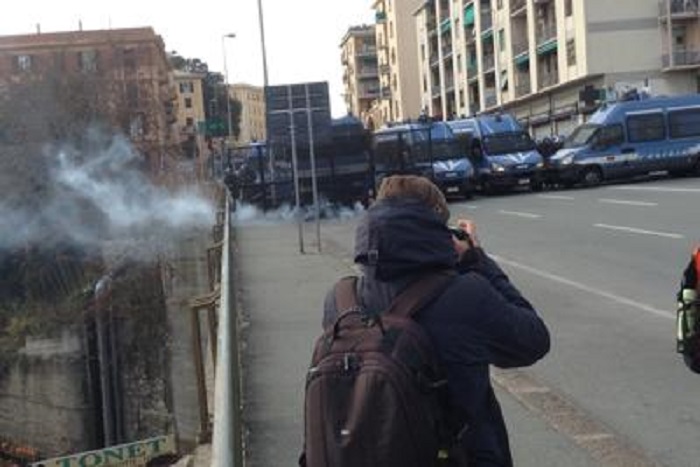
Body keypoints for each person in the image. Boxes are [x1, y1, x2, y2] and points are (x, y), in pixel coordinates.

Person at [322, 175, 551, 466]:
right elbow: (533, 340)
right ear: (435, 228)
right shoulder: (466, 294)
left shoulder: (341, 300)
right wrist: (477, 260)